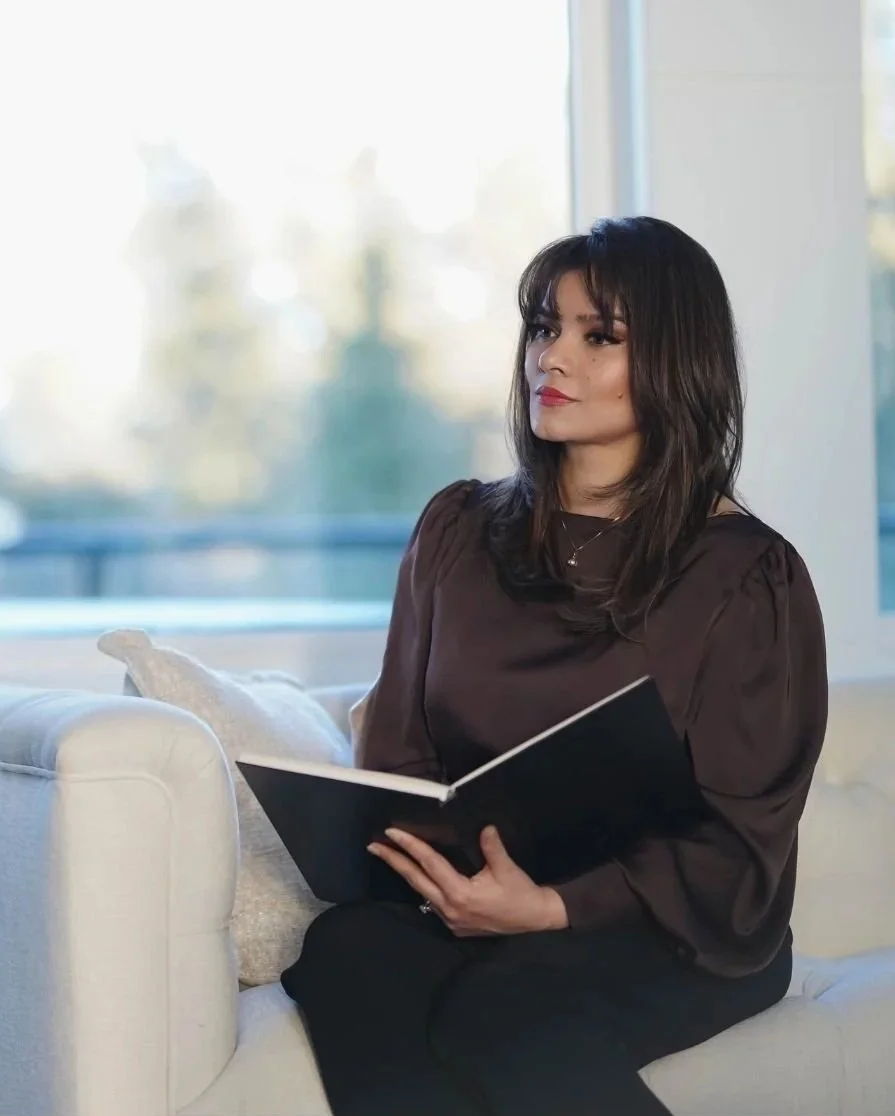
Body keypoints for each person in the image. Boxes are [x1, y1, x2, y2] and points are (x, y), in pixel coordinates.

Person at [280, 216, 828, 1116]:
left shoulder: (746, 575)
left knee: (499, 1017)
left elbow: (740, 840)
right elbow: (401, 761)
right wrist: (441, 880)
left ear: (676, 362)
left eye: (598, 336)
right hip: (477, 907)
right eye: (543, 327)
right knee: (346, 954)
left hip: (663, 929)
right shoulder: (455, 532)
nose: (552, 358)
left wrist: (550, 910)